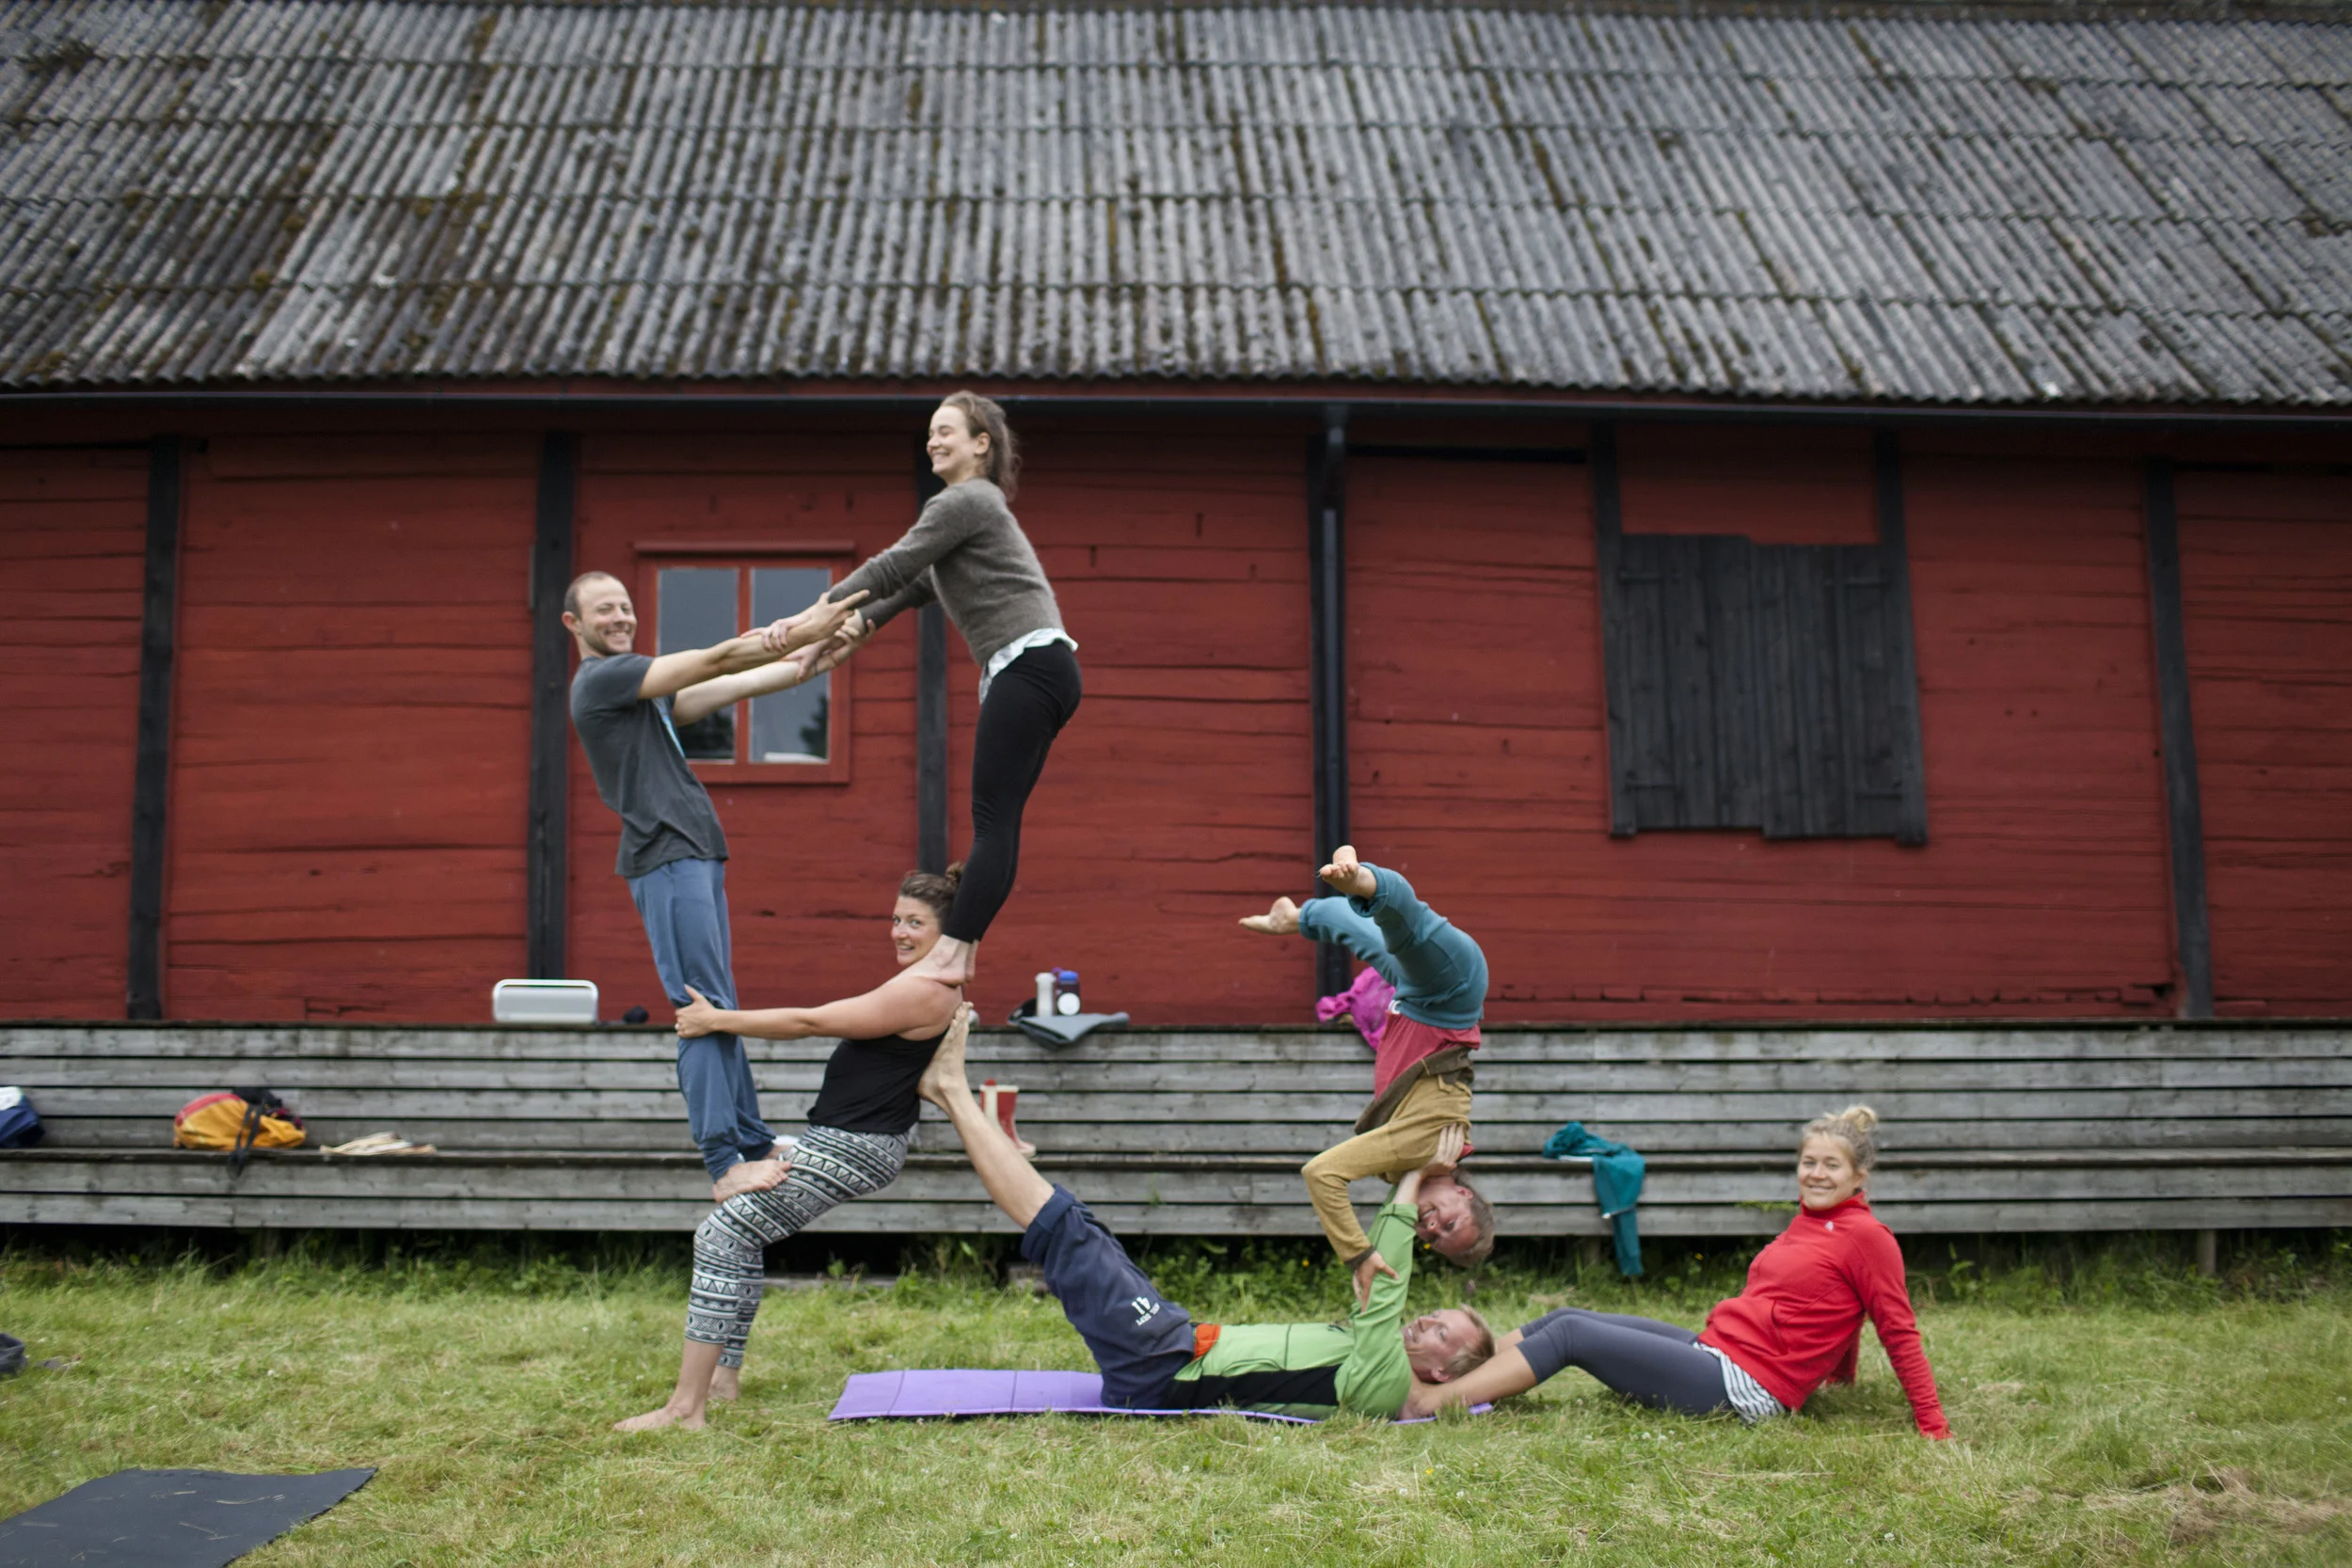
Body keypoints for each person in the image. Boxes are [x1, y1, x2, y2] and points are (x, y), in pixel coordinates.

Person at [915, 1006, 1495, 1418]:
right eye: (1437, 1314)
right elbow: (1378, 1285)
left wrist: (1416, 1168)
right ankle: (954, 1100)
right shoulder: (1381, 1352)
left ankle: (953, 1092)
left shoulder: (1385, 1383)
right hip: (1175, 1341)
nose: (1423, 1321)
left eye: (1440, 1332)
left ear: (1443, 1374)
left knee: (1067, 1229)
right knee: (1084, 1228)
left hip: (1162, 1368)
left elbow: (1385, 1283)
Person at [613, 865, 968, 1432]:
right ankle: (722, 1379)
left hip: (856, 1146)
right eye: (895, 919)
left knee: (722, 1233)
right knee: (741, 1229)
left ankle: (686, 1408)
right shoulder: (928, 984)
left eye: (915, 923)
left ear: (944, 934)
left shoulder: (925, 991)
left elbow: (810, 1021)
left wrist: (715, 1020)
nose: (899, 932)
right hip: (846, 1140)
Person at [564, 570, 866, 1199]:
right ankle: (724, 1161)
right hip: (667, 855)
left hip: (692, 853)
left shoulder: (645, 700)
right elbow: (719, 655)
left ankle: (753, 1139)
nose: (619, 617)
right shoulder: (602, 680)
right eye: (602, 610)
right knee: (700, 1010)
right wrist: (796, 627)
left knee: (719, 1005)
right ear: (575, 624)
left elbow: (740, 680)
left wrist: (818, 654)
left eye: (624, 606)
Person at [1403, 1107, 1951, 1439]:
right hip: (1720, 1351)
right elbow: (1836, 1309)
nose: (1816, 1174)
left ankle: (1428, 1403)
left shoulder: (1867, 1238)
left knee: (1572, 1338)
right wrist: (1839, 1375)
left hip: (1747, 1388)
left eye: (1831, 1165)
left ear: (1860, 1177)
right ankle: (1467, 1375)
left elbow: (1894, 1327)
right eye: (1809, 1162)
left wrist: (1932, 1424)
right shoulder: (1813, 1223)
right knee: (1568, 1315)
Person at [787, 392, 1077, 987]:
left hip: (1028, 666)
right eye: (929, 434)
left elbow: (894, 564)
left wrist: (813, 616)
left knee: (992, 823)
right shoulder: (972, 512)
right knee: (1000, 824)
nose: (933, 442)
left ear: (981, 444)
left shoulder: (966, 499)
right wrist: (851, 629)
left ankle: (953, 950)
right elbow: (917, 584)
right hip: (1042, 670)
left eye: (946, 431)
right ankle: (962, 952)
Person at [1240, 845, 1496, 1299]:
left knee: (1373, 941)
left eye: (1432, 1239)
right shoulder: (1421, 1148)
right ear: (1465, 1195)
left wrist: (1416, 1179)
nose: (1432, 1226)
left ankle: (1294, 917)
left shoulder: (1413, 1165)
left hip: (1419, 1001)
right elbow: (1321, 1174)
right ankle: (1363, 880)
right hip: (1450, 994)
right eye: (1449, 1223)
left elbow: (1407, 1192)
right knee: (1409, 931)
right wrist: (1358, 1256)